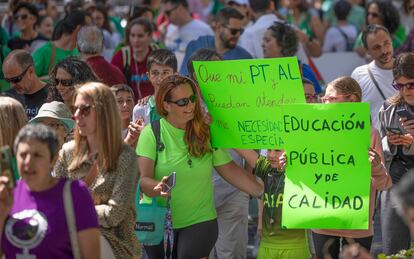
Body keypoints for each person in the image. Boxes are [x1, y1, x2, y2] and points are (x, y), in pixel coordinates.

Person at [136, 75, 263, 258]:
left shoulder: (204, 131)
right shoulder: (152, 133)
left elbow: (228, 168)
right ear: (166, 105)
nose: (190, 106)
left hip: (200, 222)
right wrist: (157, 187)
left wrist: (262, 192)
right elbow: (144, 180)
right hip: (159, 223)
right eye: (183, 102)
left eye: (193, 99)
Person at [54, 82, 140, 258]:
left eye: (85, 110)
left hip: (115, 244)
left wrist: (75, 209)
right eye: (75, 109)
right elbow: (55, 197)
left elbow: (114, 214)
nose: (77, 116)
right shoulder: (68, 151)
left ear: (103, 112)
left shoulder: (125, 157)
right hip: (72, 237)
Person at [311, 76, 391, 259]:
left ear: (352, 99)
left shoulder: (370, 134)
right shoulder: (313, 132)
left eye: (331, 99)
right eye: (323, 99)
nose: (325, 103)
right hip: (322, 219)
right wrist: (288, 163)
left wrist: (376, 166)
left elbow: (383, 184)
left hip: (356, 224)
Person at [0, 124, 100, 258]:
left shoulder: (75, 193)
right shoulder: (7, 194)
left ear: (53, 160)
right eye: (23, 155)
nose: (28, 162)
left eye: (37, 155)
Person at [378, 52, 414, 255]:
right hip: (397, 176)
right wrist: (390, 142)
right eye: (399, 86)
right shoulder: (389, 108)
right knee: (394, 246)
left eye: (411, 84)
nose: (406, 90)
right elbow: (377, 146)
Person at [180, 7, 252, 75]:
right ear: (219, 27)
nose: (238, 35)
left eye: (241, 31)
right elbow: (185, 77)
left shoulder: (244, 57)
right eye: (233, 31)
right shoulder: (196, 46)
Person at [351, 24, 396, 128]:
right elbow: (353, 112)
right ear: (367, 51)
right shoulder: (358, 75)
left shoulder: (409, 68)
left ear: (391, 41)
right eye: (376, 47)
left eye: (386, 43)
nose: (384, 51)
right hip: (376, 143)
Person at [262, 22, 322, 94]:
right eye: (263, 40)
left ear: (281, 44)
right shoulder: (261, 72)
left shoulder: (304, 71)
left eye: (267, 40)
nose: (262, 44)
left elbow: (318, 99)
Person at [111, 18, 156, 101]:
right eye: (132, 35)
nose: (136, 40)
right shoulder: (121, 56)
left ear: (150, 36)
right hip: (129, 108)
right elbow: (113, 87)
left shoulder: (158, 54)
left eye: (140, 36)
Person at [33, 10, 86, 79]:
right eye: (87, 28)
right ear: (78, 29)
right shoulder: (44, 51)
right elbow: (28, 81)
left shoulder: (79, 54)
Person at [162, 0, 214, 69]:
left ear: (180, 8)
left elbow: (213, 59)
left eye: (168, 13)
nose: (166, 17)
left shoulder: (204, 29)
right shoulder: (170, 28)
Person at [132, 48, 177, 125]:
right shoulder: (140, 109)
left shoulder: (184, 105)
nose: (160, 78)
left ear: (175, 75)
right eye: (155, 73)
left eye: (165, 72)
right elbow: (137, 136)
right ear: (148, 76)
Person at [3, 49, 49, 120]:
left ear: (31, 71)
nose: (12, 85)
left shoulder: (53, 95)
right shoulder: (7, 98)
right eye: (8, 80)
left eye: (16, 79)